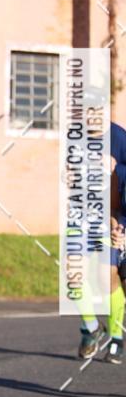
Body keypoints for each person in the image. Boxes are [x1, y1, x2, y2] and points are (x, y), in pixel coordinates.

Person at [78, 121, 126, 365]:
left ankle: (117, 338)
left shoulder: (118, 137)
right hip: (80, 216)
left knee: (106, 277)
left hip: (111, 216)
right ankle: (91, 327)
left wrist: (116, 169)